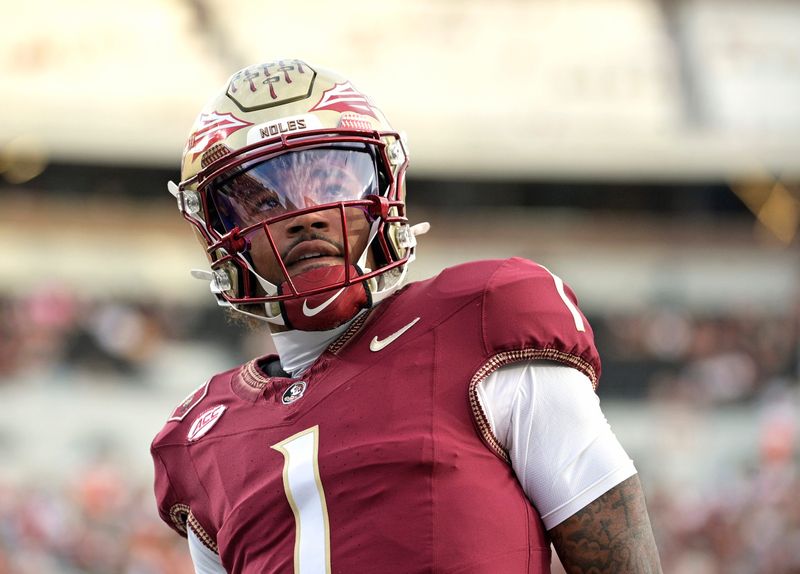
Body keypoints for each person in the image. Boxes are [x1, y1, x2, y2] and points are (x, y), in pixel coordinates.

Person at [151, 59, 662, 574]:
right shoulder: (199, 438)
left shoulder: (483, 323)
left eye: (331, 184)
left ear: (381, 194)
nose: (306, 213)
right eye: (263, 201)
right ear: (217, 234)